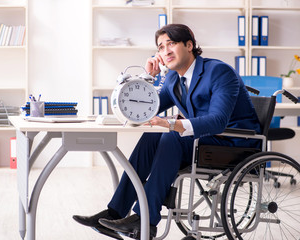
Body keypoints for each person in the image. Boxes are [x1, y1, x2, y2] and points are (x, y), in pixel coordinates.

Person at [73, 24, 261, 240]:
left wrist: (173, 124)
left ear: (189, 45)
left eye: (171, 44)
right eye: (160, 47)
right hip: (202, 141)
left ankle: (145, 219)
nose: (165, 51)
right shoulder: (172, 78)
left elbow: (218, 121)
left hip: (234, 143)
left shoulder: (219, 72)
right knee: (153, 135)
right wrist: (148, 77)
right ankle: (116, 211)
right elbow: (146, 108)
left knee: (172, 136)